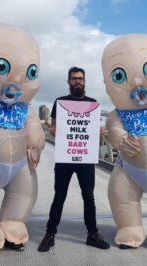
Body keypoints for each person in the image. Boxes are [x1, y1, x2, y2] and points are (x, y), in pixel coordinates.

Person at [38, 66, 110, 252]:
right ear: (68, 81)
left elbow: (94, 131)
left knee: (88, 196)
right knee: (59, 195)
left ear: (84, 81)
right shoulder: (60, 102)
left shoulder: (92, 103)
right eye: (74, 78)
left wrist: (98, 131)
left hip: (85, 158)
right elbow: (55, 128)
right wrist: (54, 131)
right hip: (65, 157)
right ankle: (50, 233)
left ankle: (92, 234)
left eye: (81, 78)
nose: (78, 81)